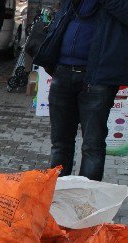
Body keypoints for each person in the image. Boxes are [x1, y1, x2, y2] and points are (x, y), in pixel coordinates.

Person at [34, 0, 128, 181]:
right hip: (63, 73)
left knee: (92, 146)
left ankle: (85, 202)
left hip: (97, 78)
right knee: (60, 144)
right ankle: (57, 195)